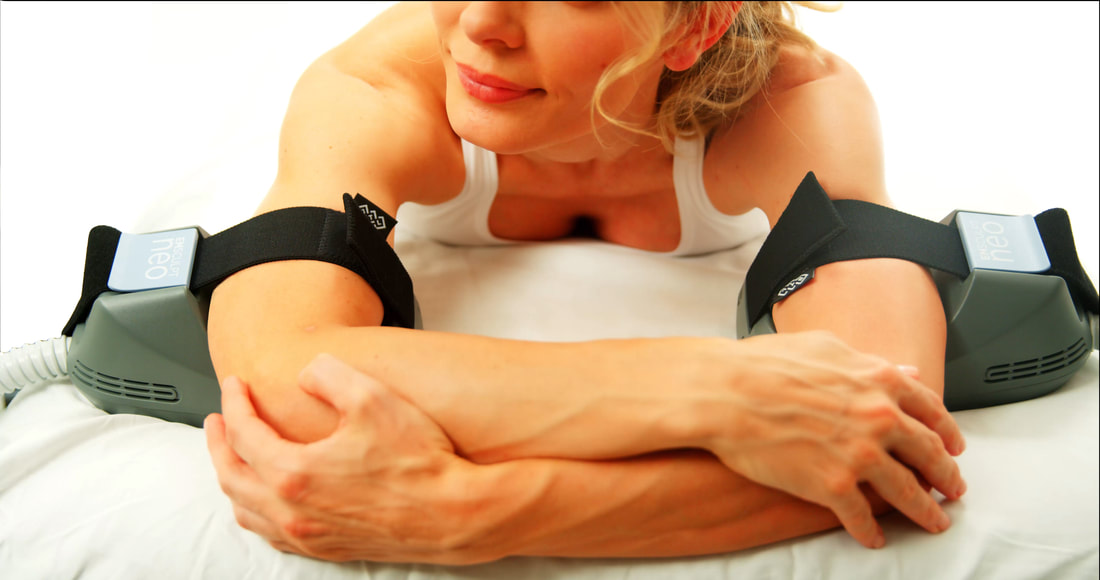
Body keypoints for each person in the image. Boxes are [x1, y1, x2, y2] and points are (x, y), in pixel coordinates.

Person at [203, 1, 967, 564]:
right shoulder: (374, 89)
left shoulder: (795, 104)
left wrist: (472, 511)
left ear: (695, 28)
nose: (482, 24)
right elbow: (283, 369)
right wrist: (724, 391)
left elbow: (890, 431)